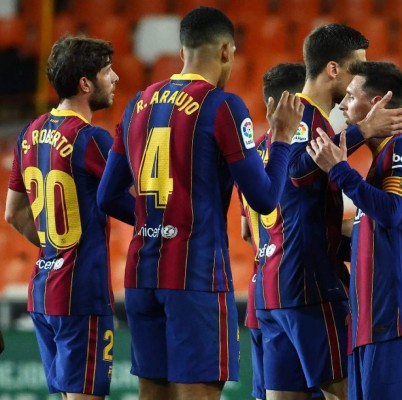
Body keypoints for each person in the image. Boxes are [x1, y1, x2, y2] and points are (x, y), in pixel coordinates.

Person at [96, 7, 304, 400]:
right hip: (195, 279)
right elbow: (263, 199)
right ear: (227, 51)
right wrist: (281, 139)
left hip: (141, 275)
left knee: (152, 394)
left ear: (182, 53)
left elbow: (107, 196)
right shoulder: (222, 105)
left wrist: (154, 222)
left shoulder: (138, 104)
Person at [253, 24, 402, 400]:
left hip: (274, 287)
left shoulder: (278, 131)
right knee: (349, 392)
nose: (359, 77)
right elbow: (297, 171)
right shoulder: (307, 118)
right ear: (332, 69)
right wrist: (361, 130)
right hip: (310, 285)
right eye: (355, 67)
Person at [5, 36, 132, 399]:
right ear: (85, 84)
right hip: (81, 297)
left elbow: (13, 213)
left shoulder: (29, 133)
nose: (116, 78)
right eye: (107, 71)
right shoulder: (91, 138)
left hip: (43, 292)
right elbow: (134, 201)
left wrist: (55, 251)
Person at [306, 61, 402, 400]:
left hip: (400, 321)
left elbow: (393, 212)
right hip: (370, 326)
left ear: (377, 102)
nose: (342, 105)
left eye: (350, 97)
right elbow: (375, 231)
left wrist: (339, 170)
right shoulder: (377, 165)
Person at [239, 62, 316, 400]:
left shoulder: (253, 153)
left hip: (260, 294)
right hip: (296, 289)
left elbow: (245, 230)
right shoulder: (305, 149)